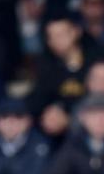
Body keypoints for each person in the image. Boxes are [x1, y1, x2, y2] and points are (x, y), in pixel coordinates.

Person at [28, 13, 98, 145]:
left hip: (91, 127)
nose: (56, 41)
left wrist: (71, 119)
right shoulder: (47, 66)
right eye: (51, 37)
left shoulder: (96, 62)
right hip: (54, 133)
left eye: (60, 34)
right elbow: (37, 100)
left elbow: (103, 101)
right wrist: (50, 113)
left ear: (76, 32)